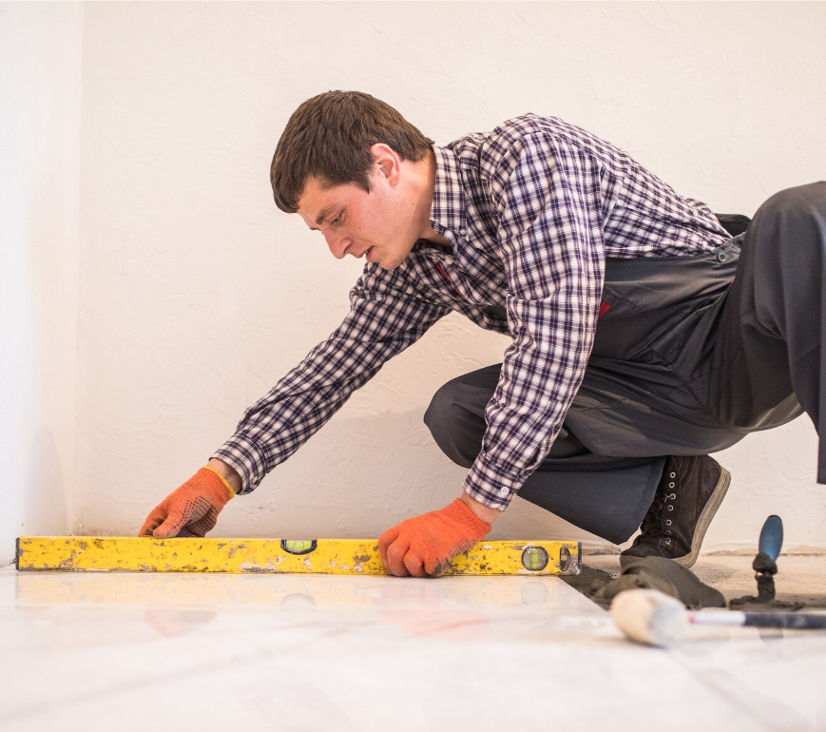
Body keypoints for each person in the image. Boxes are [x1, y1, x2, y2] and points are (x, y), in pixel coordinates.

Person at [140, 91, 825, 577]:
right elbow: (334, 368)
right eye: (321, 231)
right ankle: (675, 485)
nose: (337, 248)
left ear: (385, 165)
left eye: (336, 217)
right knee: (460, 412)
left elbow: (555, 330)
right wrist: (221, 475)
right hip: (650, 397)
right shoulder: (411, 267)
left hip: (737, 345)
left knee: (796, 217)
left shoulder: (526, 158)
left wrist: (472, 511)